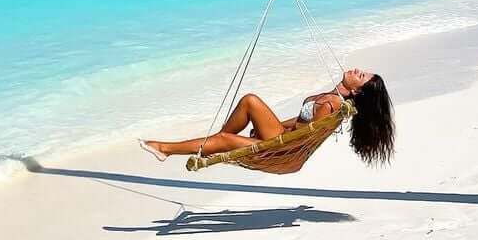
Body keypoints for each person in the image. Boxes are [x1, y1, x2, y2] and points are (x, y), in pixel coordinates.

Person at [139, 68, 395, 166]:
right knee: (249, 102)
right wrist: (270, 129)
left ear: (357, 90)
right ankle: (214, 142)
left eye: (361, 76)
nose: (357, 70)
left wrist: (271, 143)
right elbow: (298, 122)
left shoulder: (331, 106)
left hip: (282, 150)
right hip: (280, 138)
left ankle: (165, 149)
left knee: (231, 132)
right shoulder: (331, 97)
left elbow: (304, 137)